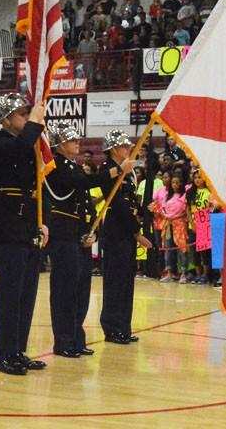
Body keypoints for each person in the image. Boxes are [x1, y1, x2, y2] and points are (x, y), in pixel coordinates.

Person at [43, 122, 125, 357]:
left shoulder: (75, 166)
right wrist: (111, 172)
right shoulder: (55, 166)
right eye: (72, 140)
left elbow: (85, 201)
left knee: (81, 288)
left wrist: (91, 231)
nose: (77, 144)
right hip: (62, 232)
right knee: (65, 289)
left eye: (78, 140)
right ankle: (64, 341)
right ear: (59, 145)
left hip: (78, 232)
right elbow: (76, 184)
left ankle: (77, 338)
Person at [0, 93, 48, 375]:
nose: (26, 118)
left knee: (27, 293)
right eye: (21, 114)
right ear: (7, 119)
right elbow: (18, 151)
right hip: (7, 223)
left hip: (27, 224)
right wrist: (34, 123)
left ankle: (18, 350)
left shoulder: (27, 144)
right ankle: (4, 354)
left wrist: (41, 222)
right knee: (9, 292)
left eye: (26, 113)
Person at [98, 129, 154, 343]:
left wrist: (142, 212)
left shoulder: (128, 170)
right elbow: (117, 204)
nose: (128, 149)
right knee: (115, 281)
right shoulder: (108, 169)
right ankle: (112, 328)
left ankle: (124, 326)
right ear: (112, 149)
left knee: (126, 281)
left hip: (127, 230)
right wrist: (136, 232)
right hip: (116, 230)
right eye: (123, 146)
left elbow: (131, 201)